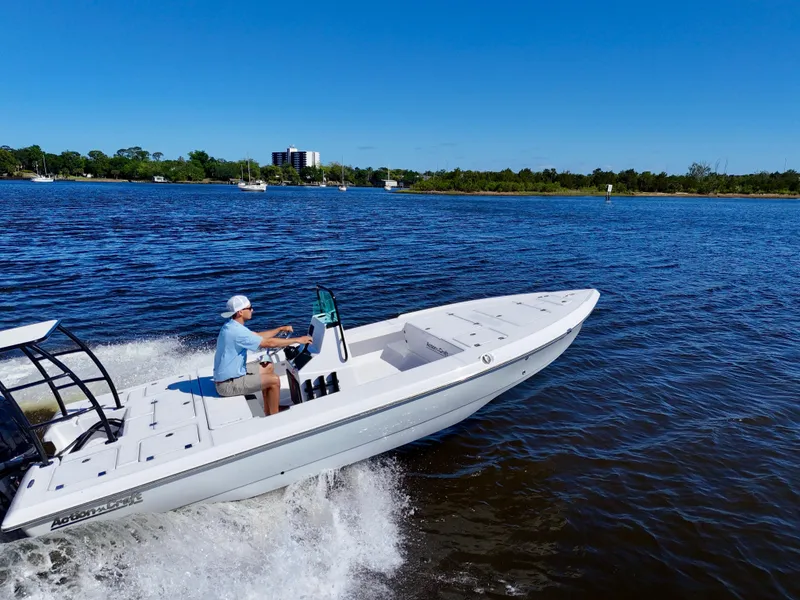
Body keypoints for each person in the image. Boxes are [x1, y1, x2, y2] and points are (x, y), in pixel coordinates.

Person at [213, 295, 312, 416]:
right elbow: (268, 343)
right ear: (240, 312)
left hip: (234, 373)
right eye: (250, 308)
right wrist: (298, 340)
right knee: (274, 380)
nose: (252, 310)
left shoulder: (231, 325)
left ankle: (269, 407)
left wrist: (280, 329)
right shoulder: (237, 332)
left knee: (268, 366)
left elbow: (258, 336)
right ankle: (274, 416)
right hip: (227, 384)